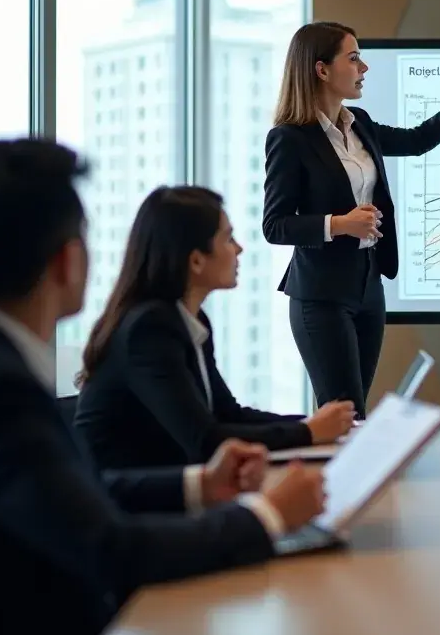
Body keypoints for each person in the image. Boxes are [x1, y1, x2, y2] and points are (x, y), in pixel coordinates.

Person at [0, 139, 325, 635]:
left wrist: (197, 486)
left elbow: (79, 493)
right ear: (68, 260)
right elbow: (110, 549)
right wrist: (265, 517)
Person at [263, 21, 440, 416]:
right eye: (354, 58)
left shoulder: (359, 122)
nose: (363, 68)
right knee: (344, 415)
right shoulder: (289, 138)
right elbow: (275, 225)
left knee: (356, 413)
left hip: (369, 285)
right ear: (321, 69)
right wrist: (339, 223)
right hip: (321, 295)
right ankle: (329, 479)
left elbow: (417, 141)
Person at [75, 185, 355, 471]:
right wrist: (308, 432)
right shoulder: (149, 329)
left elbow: (226, 413)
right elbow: (205, 439)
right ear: (196, 260)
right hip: (128, 503)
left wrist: (315, 424)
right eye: (228, 238)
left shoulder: (189, 320)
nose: (239, 249)